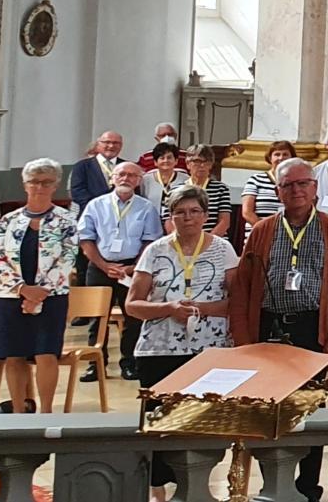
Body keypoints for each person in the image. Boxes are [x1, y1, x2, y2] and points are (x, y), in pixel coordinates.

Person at [228, 157, 328, 501]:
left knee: (310, 409)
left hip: (312, 330)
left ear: (315, 189)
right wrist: (242, 340)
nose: (296, 190)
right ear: (278, 191)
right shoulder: (263, 229)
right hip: (269, 328)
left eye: (303, 184)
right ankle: (273, 484)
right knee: (269, 410)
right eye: (288, 185)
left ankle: (308, 488)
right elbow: (242, 287)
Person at [126, 184, 237, 501]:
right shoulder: (156, 250)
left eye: (194, 212)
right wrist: (167, 309)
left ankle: (198, 490)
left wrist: (200, 309)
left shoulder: (223, 249)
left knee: (203, 424)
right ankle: (159, 493)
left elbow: (237, 301)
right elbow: (133, 305)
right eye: (179, 212)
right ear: (170, 216)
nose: (187, 218)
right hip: (158, 349)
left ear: (205, 215)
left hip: (208, 351)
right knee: (160, 425)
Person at [0, 160, 76, 414]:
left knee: (45, 353)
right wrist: (22, 289)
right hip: (9, 295)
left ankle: (46, 413)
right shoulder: (9, 220)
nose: (39, 186)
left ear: (56, 185)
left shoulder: (66, 220)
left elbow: (67, 258)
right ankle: (19, 411)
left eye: (46, 182)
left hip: (51, 296)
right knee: (14, 355)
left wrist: (39, 293)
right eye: (34, 181)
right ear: (25, 185)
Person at [77, 160, 164, 380]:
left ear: (138, 181)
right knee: (97, 317)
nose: (126, 178)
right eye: (121, 174)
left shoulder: (146, 208)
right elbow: (86, 239)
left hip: (133, 268)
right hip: (100, 266)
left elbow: (150, 241)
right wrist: (104, 265)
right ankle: (95, 364)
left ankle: (129, 362)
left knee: (133, 317)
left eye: (132, 175)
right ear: (112, 178)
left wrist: (133, 267)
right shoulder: (96, 205)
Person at [241, 140, 299, 224]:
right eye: (277, 154)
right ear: (270, 158)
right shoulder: (256, 179)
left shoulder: (297, 181)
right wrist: (264, 229)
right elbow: (247, 212)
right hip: (259, 232)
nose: (281, 158)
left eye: (285, 154)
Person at [184, 146, 233, 241]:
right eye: (197, 161)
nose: (202, 166)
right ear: (188, 164)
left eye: (206, 162)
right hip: (185, 242)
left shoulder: (221, 189)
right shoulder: (177, 189)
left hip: (214, 241)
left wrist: (206, 242)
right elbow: (170, 221)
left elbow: (224, 221)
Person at [69, 131, 125, 213]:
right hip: (91, 214)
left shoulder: (128, 166)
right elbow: (78, 192)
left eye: (116, 143)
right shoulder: (82, 166)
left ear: (121, 146)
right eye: (107, 142)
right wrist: (99, 209)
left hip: (121, 214)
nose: (111, 146)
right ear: (98, 144)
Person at [138, 142, 189, 206]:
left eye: (169, 157)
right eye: (162, 158)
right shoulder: (145, 180)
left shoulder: (185, 179)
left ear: (176, 161)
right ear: (155, 162)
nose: (166, 160)